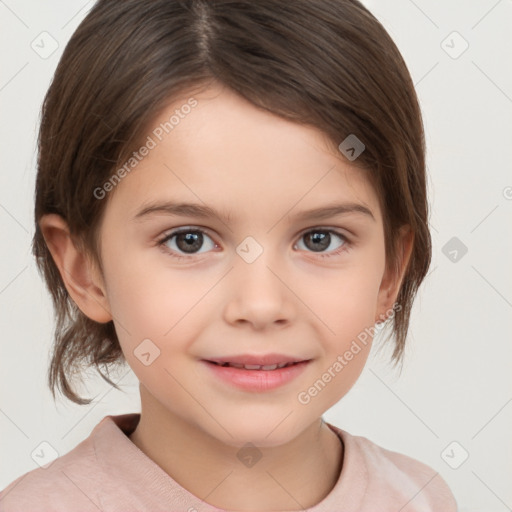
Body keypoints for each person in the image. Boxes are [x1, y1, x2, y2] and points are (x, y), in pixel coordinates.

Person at [0, 0, 458, 510]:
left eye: (319, 239)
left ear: (389, 273)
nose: (261, 305)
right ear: (84, 270)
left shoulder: (421, 497)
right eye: (189, 240)